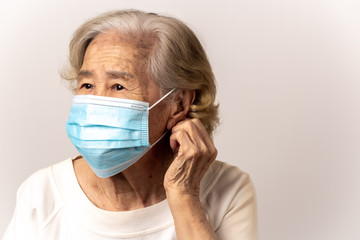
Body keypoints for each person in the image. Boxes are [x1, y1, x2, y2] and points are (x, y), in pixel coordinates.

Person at [2, 10, 257, 240]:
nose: (96, 102)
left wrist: (184, 195)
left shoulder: (227, 190)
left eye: (118, 86)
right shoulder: (43, 192)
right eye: (87, 85)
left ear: (178, 103)